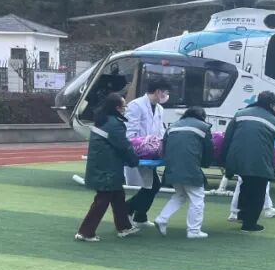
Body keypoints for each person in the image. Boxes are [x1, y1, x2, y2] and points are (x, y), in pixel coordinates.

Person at [76, 93, 141, 241]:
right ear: (117, 108)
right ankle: (85, 232)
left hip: (103, 165)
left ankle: (124, 227)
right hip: (108, 168)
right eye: (124, 106)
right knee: (103, 199)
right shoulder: (114, 124)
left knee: (118, 196)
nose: (125, 108)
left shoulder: (103, 119)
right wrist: (134, 160)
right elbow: (123, 146)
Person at [221, 90, 275, 232]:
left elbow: (228, 137)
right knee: (258, 190)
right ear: (272, 105)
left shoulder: (240, 114)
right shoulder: (272, 121)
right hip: (259, 159)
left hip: (238, 157)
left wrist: (225, 160)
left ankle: (242, 215)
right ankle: (249, 224)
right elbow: (272, 141)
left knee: (245, 185)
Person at [155, 107, 214, 239]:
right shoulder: (203, 127)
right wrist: (205, 164)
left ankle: (162, 218)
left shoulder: (172, 127)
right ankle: (194, 230)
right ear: (202, 117)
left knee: (181, 195)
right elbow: (209, 149)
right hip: (190, 166)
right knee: (197, 198)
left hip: (172, 166)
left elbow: (164, 147)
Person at [124, 78, 169, 227]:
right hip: (139, 150)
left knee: (152, 184)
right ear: (158, 92)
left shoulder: (159, 108)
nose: (166, 95)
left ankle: (140, 216)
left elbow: (160, 130)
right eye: (165, 92)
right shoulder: (136, 105)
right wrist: (143, 145)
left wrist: (160, 145)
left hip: (152, 151)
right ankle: (128, 209)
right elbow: (130, 131)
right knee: (153, 185)